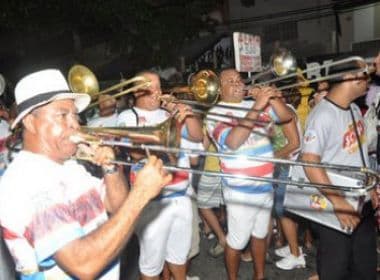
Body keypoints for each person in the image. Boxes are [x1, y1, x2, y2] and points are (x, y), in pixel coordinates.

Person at [0, 69, 172, 279]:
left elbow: (117, 207)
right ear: (29, 121)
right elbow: (83, 264)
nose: (75, 125)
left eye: (74, 115)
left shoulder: (71, 167)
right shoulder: (26, 180)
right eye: (62, 115)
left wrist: (110, 168)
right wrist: (140, 194)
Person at [206, 68, 293, 280]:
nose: (238, 84)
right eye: (230, 81)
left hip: (265, 186)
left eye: (239, 79)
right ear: (219, 88)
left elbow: (286, 116)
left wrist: (270, 97)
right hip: (240, 191)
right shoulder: (214, 113)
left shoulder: (254, 105)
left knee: (260, 235)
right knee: (236, 241)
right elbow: (233, 142)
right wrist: (257, 106)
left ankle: (259, 276)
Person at [117, 71, 203, 280]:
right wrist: (162, 140)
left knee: (179, 259)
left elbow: (197, 136)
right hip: (153, 203)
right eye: (151, 86)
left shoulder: (168, 113)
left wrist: (186, 114)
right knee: (151, 265)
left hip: (181, 197)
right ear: (137, 91)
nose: (158, 91)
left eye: (158, 86)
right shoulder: (128, 117)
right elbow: (134, 152)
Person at [301, 60, 377, 280]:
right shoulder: (322, 115)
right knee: (336, 267)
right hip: (334, 204)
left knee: (364, 266)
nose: (369, 80)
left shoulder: (354, 109)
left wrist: (370, 188)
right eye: (365, 75)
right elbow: (309, 162)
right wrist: (339, 202)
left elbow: (357, 155)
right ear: (348, 77)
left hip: (360, 201)